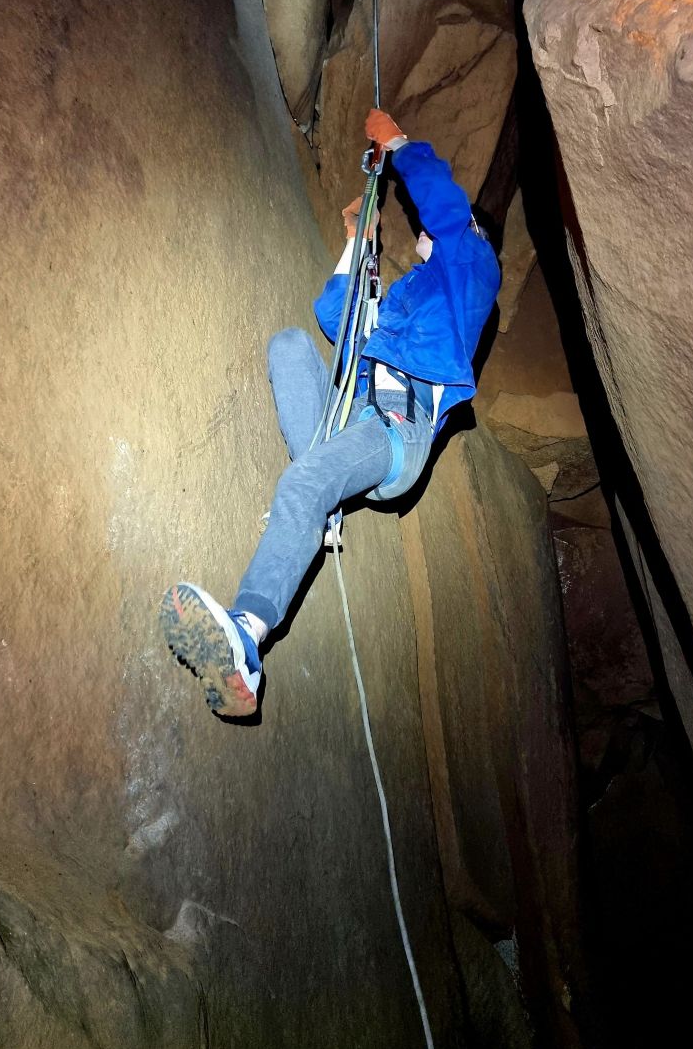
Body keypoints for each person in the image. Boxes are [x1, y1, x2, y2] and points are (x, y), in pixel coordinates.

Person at [159, 109, 501, 718]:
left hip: (395, 433)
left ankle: (246, 638)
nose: (422, 225)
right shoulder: (409, 296)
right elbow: (336, 316)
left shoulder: (475, 268)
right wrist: (354, 245)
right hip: (355, 418)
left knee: (303, 483)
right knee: (290, 345)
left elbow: (447, 211)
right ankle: (318, 509)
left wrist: (398, 146)